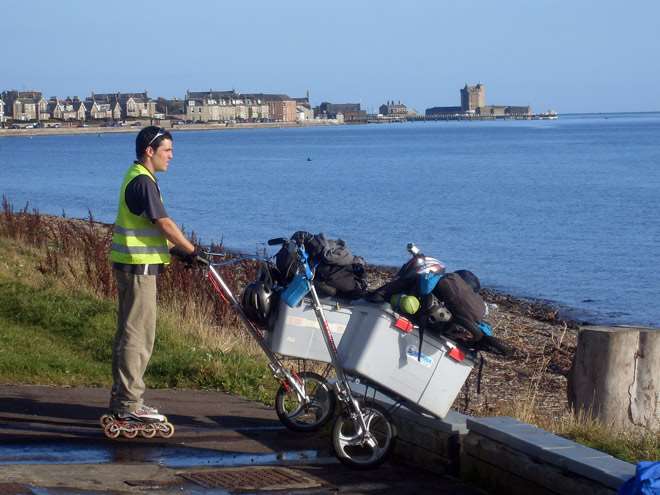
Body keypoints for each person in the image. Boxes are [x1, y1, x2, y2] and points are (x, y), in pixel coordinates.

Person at [108, 126, 200, 423]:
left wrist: (179, 251)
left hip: (132, 265)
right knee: (138, 336)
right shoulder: (143, 182)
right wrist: (192, 249)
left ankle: (122, 398)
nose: (172, 156)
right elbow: (163, 223)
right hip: (138, 268)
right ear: (150, 151)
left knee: (129, 333)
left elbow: (149, 227)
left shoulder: (136, 177)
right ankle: (130, 404)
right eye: (167, 150)